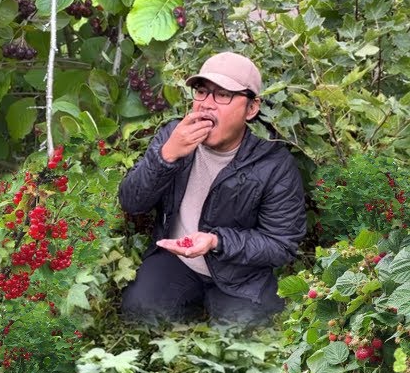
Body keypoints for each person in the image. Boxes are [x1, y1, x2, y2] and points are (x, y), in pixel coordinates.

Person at [118, 52, 307, 326]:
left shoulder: (274, 164)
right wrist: (166, 156)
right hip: (175, 261)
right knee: (139, 312)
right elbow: (131, 202)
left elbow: (281, 244)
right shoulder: (174, 135)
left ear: (251, 109)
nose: (206, 105)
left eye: (223, 95)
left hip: (241, 276)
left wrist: (217, 241)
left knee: (242, 342)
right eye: (202, 92)